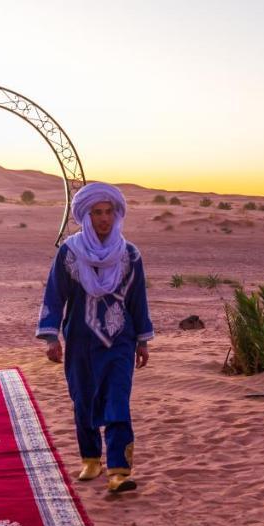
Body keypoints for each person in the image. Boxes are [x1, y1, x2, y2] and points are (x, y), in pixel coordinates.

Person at [38, 182, 153, 494]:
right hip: (80, 340)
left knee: (118, 400)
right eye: (97, 213)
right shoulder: (70, 253)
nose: (104, 219)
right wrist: (51, 336)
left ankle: (119, 469)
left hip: (120, 341)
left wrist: (142, 339)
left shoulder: (130, 254)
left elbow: (137, 299)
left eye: (109, 212)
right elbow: (55, 294)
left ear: (117, 214)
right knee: (83, 398)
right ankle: (90, 458)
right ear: (86, 216)